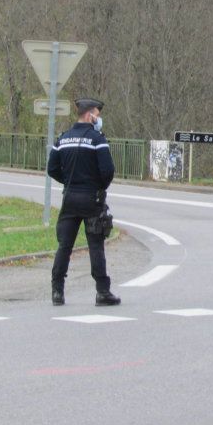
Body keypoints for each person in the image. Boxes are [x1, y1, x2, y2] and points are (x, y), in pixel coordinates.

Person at [46, 97, 121, 306]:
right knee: (96, 245)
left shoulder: (62, 139)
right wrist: (98, 187)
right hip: (91, 198)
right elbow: (108, 171)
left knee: (64, 246)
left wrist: (69, 181)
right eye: (97, 114)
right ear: (89, 115)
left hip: (69, 198)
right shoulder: (97, 139)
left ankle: (57, 292)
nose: (99, 118)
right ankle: (102, 292)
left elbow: (52, 169)